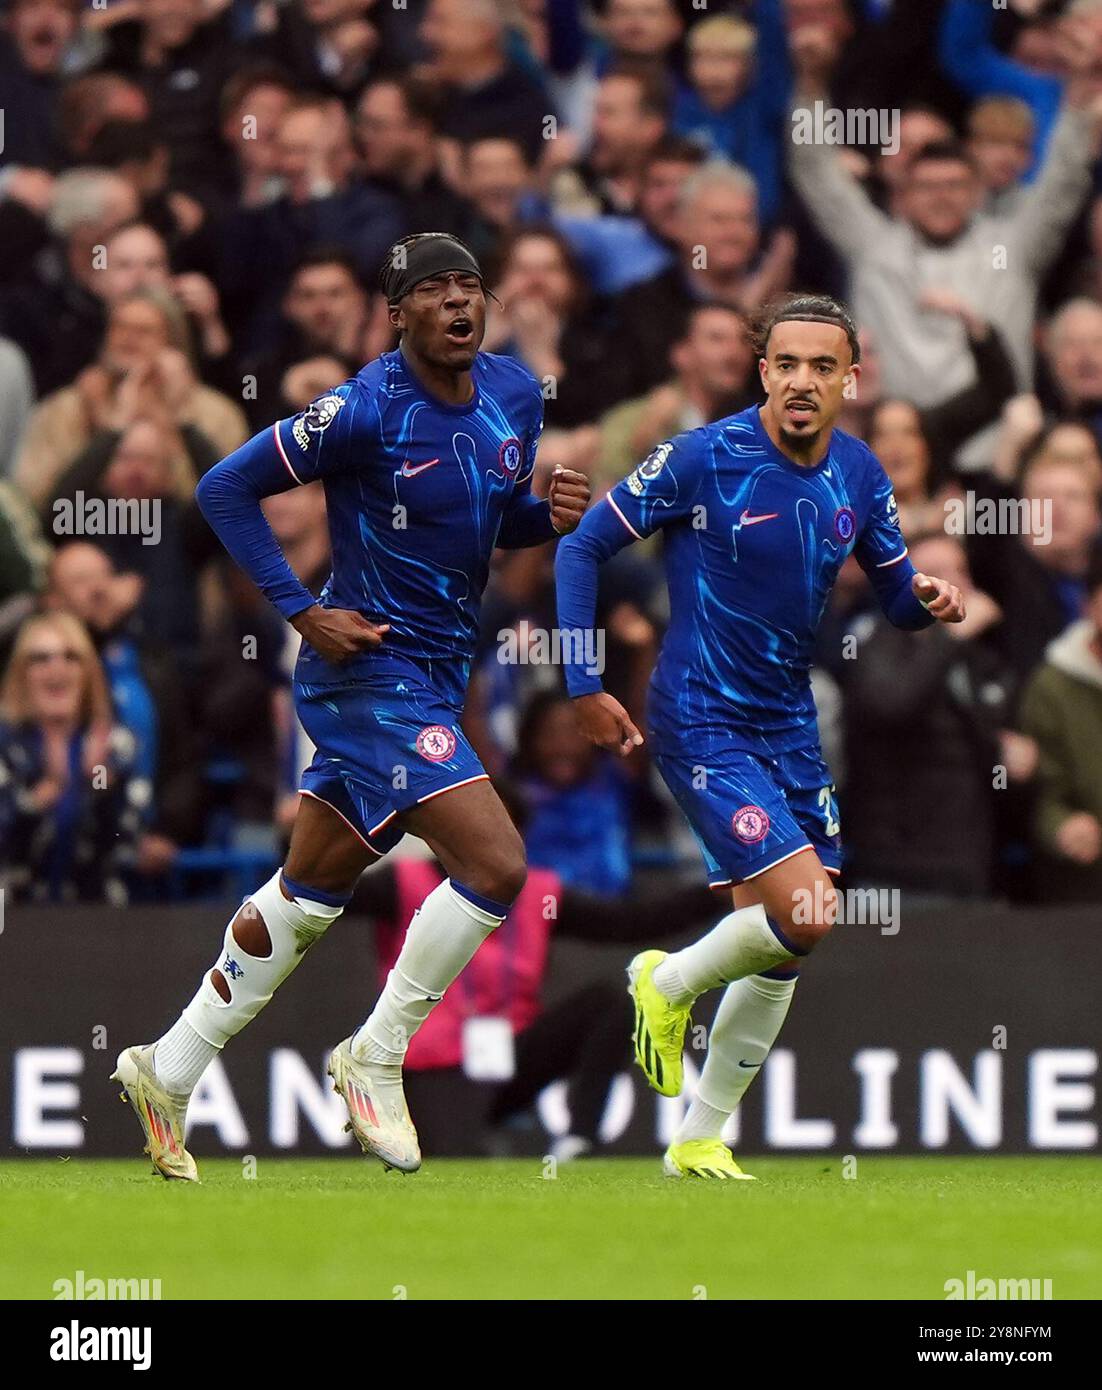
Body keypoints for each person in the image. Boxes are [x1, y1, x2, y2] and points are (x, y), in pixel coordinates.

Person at [110, 231, 591, 1182]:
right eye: (434, 290)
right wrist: (301, 610)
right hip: (366, 670)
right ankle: (375, 1055)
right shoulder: (362, 409)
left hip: (436, 672)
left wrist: (548, 516)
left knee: (310, 893)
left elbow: (493, 522)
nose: (458, 302)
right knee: (496, 865)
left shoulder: (516, 395)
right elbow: (224, 488)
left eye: (469, 286)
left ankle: (169, 1065)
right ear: (397, 313)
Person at [555, 292, 966, 1179]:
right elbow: (581, 546)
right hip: (700, 714)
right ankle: (661, 983)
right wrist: (583, 683)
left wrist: (925, 601)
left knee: (777, 944)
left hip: (787, 723)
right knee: (808, 911)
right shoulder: (704, 459)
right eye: (787, 364)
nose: (803, 381)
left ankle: (700, 1136)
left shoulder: (858, 473)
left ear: (851, 380)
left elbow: (893, 594)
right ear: (763, 371)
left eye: (824, 366)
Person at [0, 610, 144, 903]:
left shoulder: (117, 743)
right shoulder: (5, 746)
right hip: (13, 917)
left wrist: (99, 784)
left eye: (71, 657)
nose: (57, 669)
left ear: (88, 672)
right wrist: (37, 800)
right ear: (20, 673)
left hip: (97, 917)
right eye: (41, 658)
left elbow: (126, 844)